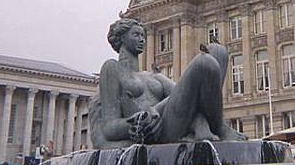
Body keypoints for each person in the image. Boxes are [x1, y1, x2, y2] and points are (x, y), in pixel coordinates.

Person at [90, 18, 246, 149]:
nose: (142, 39)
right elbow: (109, 127)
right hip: (156, 132)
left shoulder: (153, 76)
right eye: (136, 35)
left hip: (171, 119)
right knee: (204, 62)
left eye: (143, 35)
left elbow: (183, 95)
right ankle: (218, 128)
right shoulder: (112, 69)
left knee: (218, 52)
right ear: (122, 38)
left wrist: (155, 109)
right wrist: (138, 124)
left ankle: (206, 125)